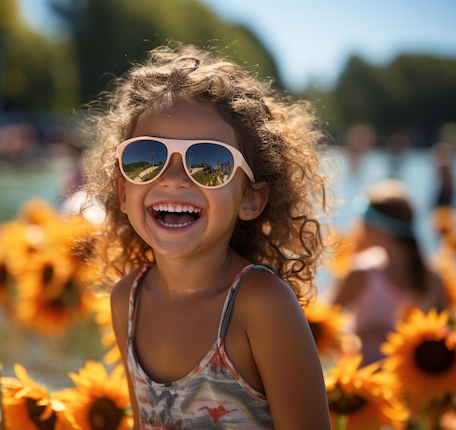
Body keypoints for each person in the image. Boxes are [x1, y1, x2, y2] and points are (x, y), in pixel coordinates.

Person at [82, 44, 332, 429]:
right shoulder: (126, 303)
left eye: (208, 163)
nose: (173, 178)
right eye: (146, 157)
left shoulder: (262, 307)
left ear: (251, 198)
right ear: (122, 192)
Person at [330, 179, 448, 366]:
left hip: (409, 387)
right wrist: (360, 335)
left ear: (377, 227)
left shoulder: (432, 280)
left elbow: (444, 337)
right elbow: (325, 327)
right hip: (361, 384)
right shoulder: (361, 271)